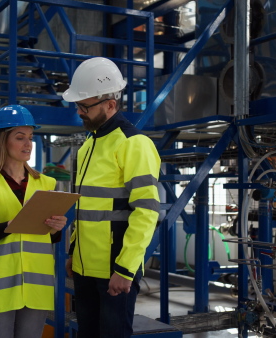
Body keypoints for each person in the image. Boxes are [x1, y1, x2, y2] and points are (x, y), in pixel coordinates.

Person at [62, 57, 161, 338]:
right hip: (83, 268)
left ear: (110, 104)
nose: (80, 112)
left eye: (85, 106)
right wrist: (73, 252)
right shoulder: (88, 147)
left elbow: (146, 212)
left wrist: (125, 268)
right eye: (78, 105)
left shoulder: (134, 144)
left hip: (114, 269)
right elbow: (85, 208)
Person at [0, 104, 68, 338]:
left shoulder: (47, 184)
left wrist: (57, 228)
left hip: (36, 284)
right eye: (20, 137)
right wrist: (14, 223)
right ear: (3, 141)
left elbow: (50, 237)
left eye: (31, 138)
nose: (28, 144)